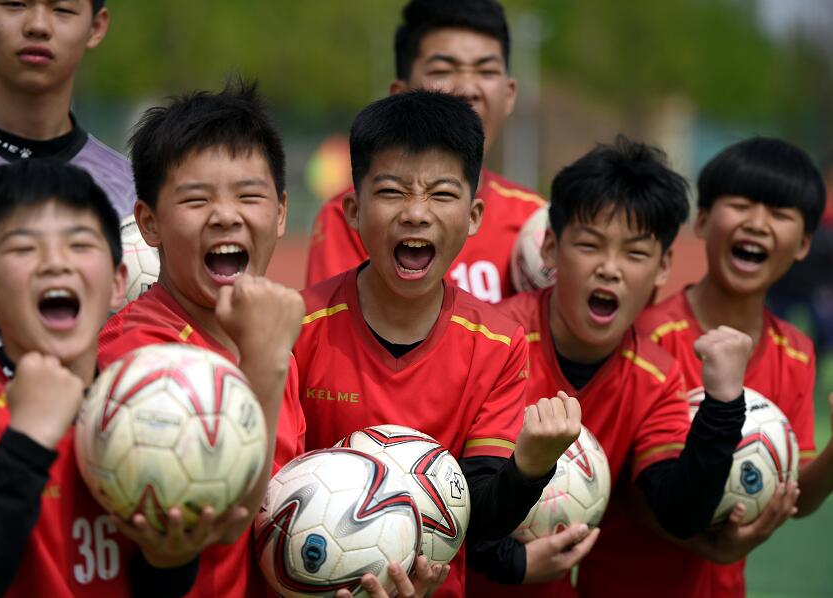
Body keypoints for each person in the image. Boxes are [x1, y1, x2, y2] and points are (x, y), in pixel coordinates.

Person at [295, 89, 581, 598]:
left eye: (442, 194)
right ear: (353, 211)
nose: (416, 213)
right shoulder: (300, 326)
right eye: (392, 192)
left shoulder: (497, 344)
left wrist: (529, 467)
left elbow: (483, 509)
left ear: (473, 217)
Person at [0, 159, 237, 596]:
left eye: (79, 245)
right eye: (23, 248)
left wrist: (169, 560)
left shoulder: (153, 414)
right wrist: (26, 443)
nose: (56, 264)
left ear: (117, 282)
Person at [468, 136, 751, 597]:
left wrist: (723, 404)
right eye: (590, 245)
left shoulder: (657, 378)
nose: (610, 269)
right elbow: (439, 493)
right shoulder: (488, 341)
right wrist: (510, 562)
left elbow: (679, 512)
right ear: (550, 250)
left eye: (635, 253)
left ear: (663, 268)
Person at [98, 81, 312, 597]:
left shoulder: (263, 340)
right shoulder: (134, 354)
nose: (225, 215)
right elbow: (227, 515)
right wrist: (265, 362)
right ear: (149, 223)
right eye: (196, 199)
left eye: (249, 195)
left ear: (280, 212)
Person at [626, 137, 832, 598]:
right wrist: (709, 545)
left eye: (779, 213)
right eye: (740, 205)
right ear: (701, 221)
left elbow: (792, 493)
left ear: (802, 244)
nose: (757, 223)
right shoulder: (646, 336)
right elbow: (625, 489)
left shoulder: (796, 351)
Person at [306, 0, 545, 303]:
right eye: (444, 69)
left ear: (509, 95)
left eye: (486, 71)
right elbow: (336, 341)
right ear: (401, 94)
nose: (467, 88)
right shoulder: (353, 217)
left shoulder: (536, 222)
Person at [0, 0, 135, 343]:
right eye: (15, 4)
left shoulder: (135, 191)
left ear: (96, 26)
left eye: (63, 9)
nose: (38, 25)